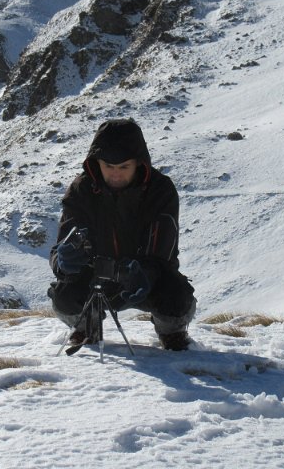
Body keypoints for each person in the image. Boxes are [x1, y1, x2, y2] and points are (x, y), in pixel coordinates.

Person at [47, 119, 196, 351]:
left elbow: (162, 253)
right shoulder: (81, 190)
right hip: (94, 278)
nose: (115, 174)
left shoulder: (160, 190)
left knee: (177, 296)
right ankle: (87, 329)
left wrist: (142, 272)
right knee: (64, 295)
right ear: (97, 163)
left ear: (138, 163)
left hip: (145, 280)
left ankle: (171, 332)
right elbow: (62, 245)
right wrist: (62, 261)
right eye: (109, 166)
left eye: (124, 167)